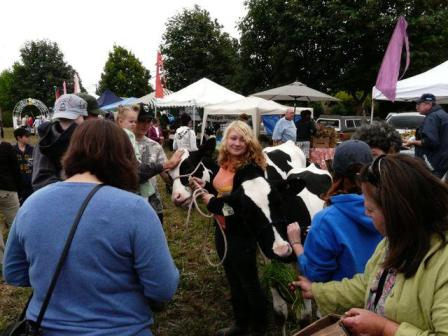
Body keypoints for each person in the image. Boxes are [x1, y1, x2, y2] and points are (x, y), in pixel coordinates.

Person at [3, 119, 179, 336]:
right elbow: (163, 288)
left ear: (72, 151)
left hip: (45, 327)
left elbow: (13, 273)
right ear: (123, 157)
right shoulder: (136, 209)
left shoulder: (32, 203)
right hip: (122, 328)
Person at [292, 154, 448, 335]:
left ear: (396, 211)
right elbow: (367, 285)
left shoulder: (442, 261)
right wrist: (317, 291)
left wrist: (383, 327)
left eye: (370, 209)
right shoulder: (392, 243)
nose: (366, 214)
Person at [191, 121, 279, 336]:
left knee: (248, 281)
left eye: (242, 139)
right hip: (223, 229)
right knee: (233, 277)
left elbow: (242, 206)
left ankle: (259, 328)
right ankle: (241, 323)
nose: (237, 143)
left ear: (249, 143)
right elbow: (223, 190)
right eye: (233, 138)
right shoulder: (226, 162)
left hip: (241, 232)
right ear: (226, 140)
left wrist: (213, 203)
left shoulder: (250, 170)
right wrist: (207, 188)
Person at [287, 140, 382, 282]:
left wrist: (296, 244)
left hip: (341, 300)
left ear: (335, 174)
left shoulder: (326, 220)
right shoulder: (388, 211)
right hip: (379, 298)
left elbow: (315, 275)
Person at [32, 94, 87, 191]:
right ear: (80, 117)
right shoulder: (46, 141)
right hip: (66, 198)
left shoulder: (45, 139)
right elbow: (41, 182)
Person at [134, 111, 170, 224]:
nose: (145, 125)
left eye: (148, 121)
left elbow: (166, 174)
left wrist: (179, 180)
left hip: (152, 201)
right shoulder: (121, 143)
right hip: (129, 200)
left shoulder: (155, 146)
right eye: (141, 121)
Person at [406, 93, 448, 178]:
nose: (416, 107)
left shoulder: (432, 117)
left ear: (428, 104)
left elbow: (430, 142)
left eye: (419, 104)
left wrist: (412, 142)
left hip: (434, 163)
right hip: (444, 160)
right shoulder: (443, 114)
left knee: (430, 189)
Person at [0, 134, 21, 269]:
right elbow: (16, 170)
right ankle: (21, 257)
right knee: (17, 225)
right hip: (7, 190)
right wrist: (19, 190)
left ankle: (2, 261)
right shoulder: (6, 147)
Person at [13, 127, 34, 204]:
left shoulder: (33, 150)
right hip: (18, 187)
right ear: (19, 138)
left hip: (31, 185)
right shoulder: (12, 151)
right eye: (26, 136)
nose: (29, 138)